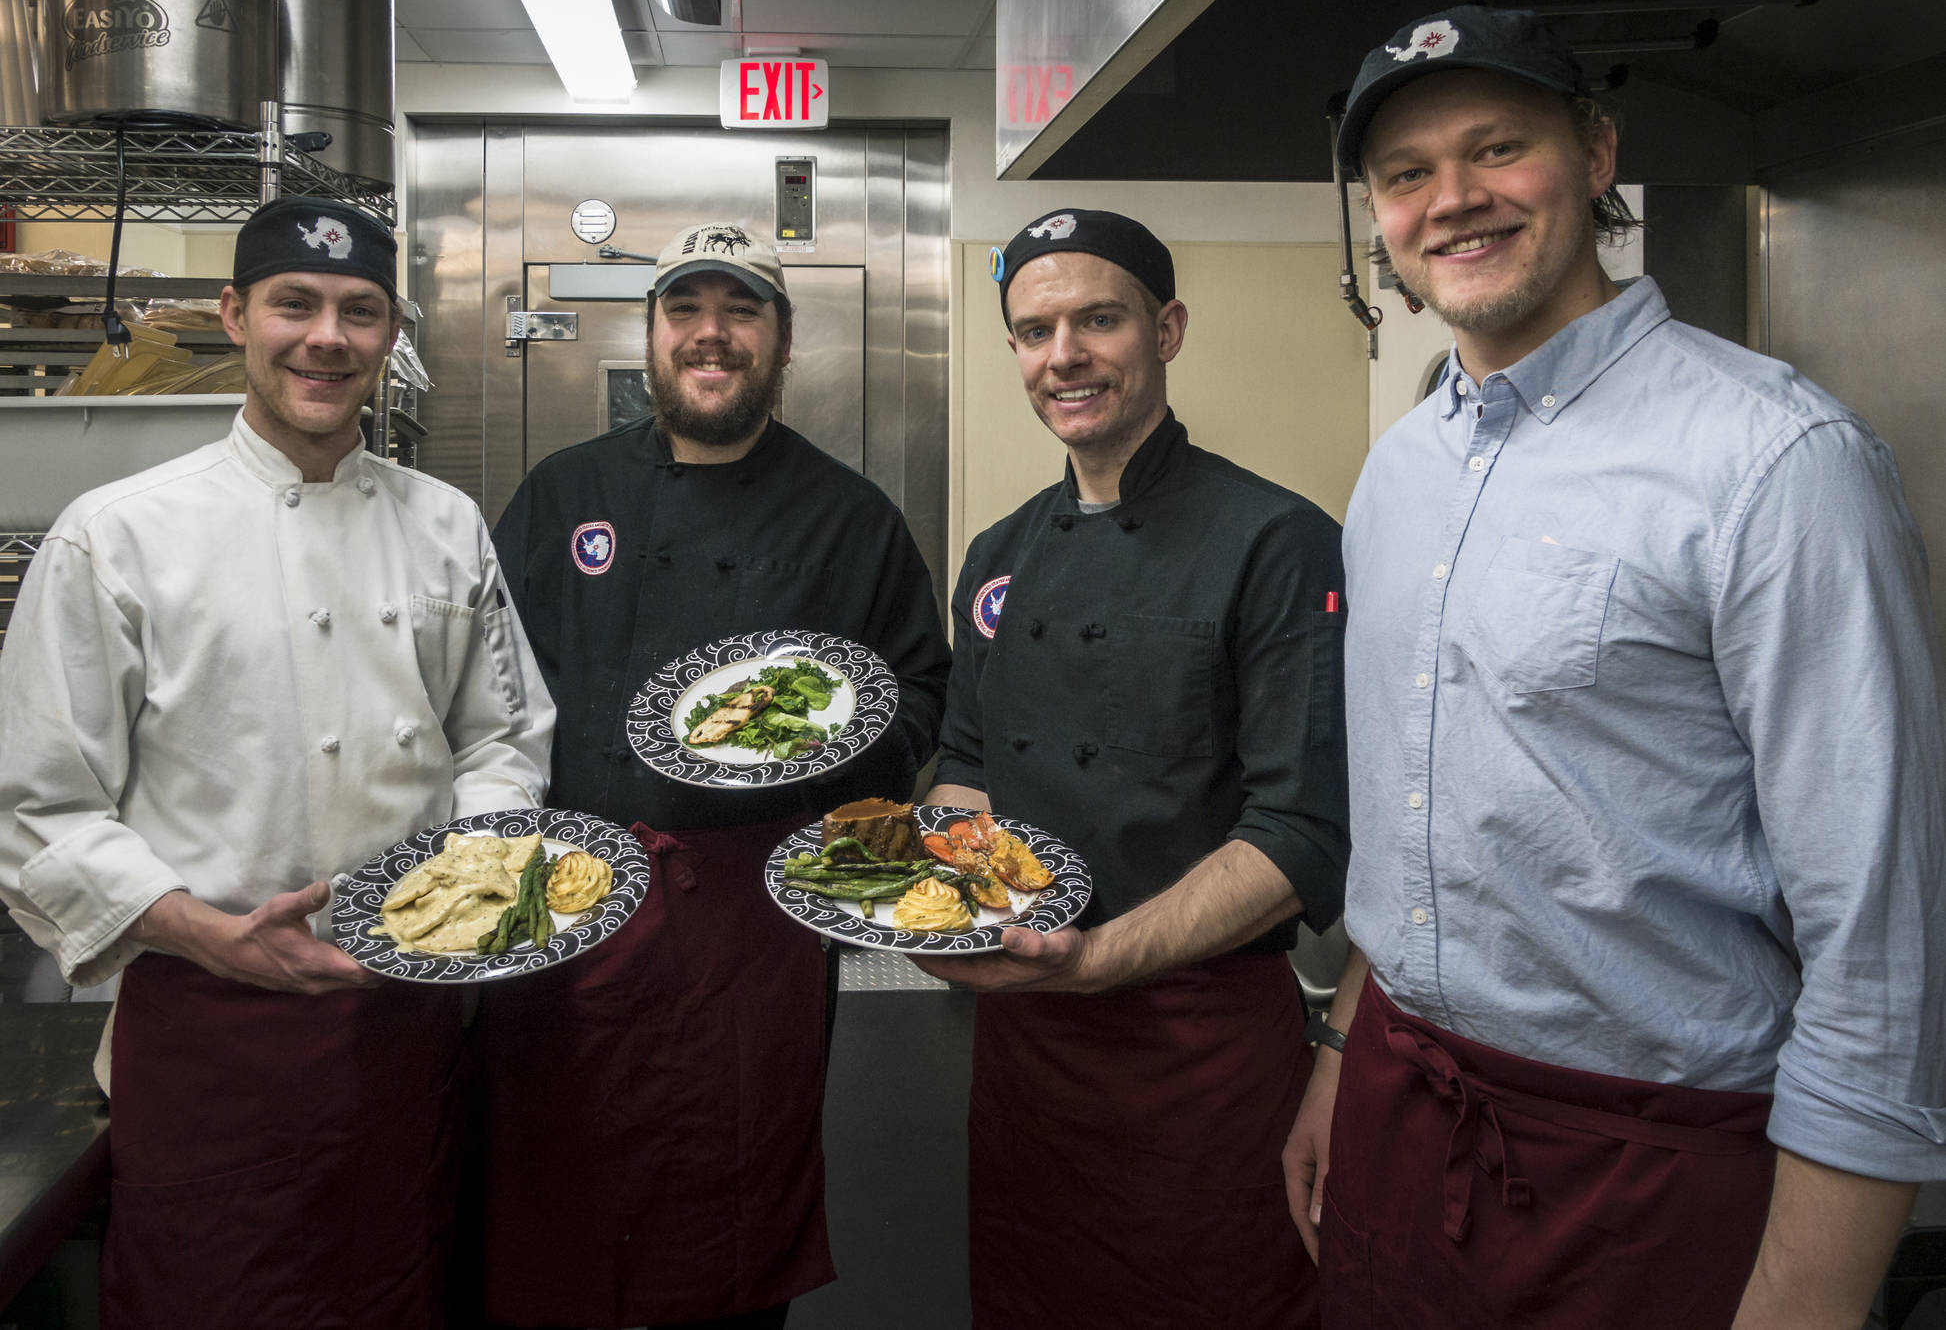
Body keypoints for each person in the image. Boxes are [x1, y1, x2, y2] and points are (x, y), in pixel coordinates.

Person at [1285, 3, 1946, 1330]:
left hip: (1648, 1158)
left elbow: (1882, 951)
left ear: (1594, 155)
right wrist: (1340, 1054)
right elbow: (1417, 823)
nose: (1450, 199)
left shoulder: (1775, 460)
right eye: (1406, 172)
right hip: (1398, 1107)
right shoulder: (1399, 468)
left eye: (1496, 149)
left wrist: (1802, 1305)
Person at [0, 195, 554, 1329]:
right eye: (294, 304)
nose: (327, 338)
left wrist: (478, 877)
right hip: (211, 1034)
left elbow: (499, 735)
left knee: (402, 1288)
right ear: (234, 314)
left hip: (410, 1021)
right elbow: (39, 808)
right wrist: (210, 934)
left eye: (360, 311)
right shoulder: (119, 534)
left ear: (390, 333)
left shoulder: (447, 523)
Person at [479, 220, 950, 1330]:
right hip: (572, 910)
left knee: (730, 1228)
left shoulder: (850, 516)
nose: (711, 334)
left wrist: (832, 752)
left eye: (741, 311)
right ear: (651, 333)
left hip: (750, 931)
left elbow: (920, 690)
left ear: (781, 340)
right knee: (556, 1210)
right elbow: (486, 690)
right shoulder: (562, 495)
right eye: (685, 309)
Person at [919, 208, 1350, 1328]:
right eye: (1034, 331)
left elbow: (1299, 830)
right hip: (1029, 1054)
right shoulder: (998, 554)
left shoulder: (1274, 540)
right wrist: (944, 899)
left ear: (1166, 329)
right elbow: (967, 763)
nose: (1062, 355)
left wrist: (1097, 957)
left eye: (1097, 320)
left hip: (1196, 1055)